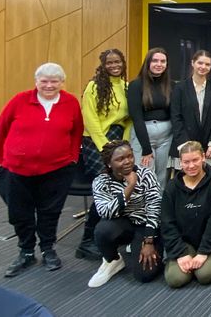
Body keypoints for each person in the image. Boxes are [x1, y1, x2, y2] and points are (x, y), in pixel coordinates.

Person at [0, 63, 83, 277]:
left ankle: (48, 249)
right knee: (19, 214)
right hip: (16, 171)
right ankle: (26, 252)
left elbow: (77, 131)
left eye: (54, 81)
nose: (49, 85)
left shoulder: (70, 103)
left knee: (49, 213)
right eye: (44, 81)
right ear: (36, 82)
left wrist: (72, 160)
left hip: (57, 170)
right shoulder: (20, 100)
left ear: (61, 83)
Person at [77, 48, 132, 261]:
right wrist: (107, 150)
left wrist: (123, 145)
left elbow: (129, 119)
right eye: (109, 63)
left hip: (118, 141)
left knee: (118, 189)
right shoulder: (94, 87)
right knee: (105, 191)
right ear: (103, 64)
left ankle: (108, 236)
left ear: (123, 63)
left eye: (117, 61)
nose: (114, 66)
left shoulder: (127, 87)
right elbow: (91, 121)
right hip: (96, 142)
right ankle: (86, 241)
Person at [88, 140, 163, 287]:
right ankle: (113, 260)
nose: (127, 161)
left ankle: (141, 244)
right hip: (122, 223)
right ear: (109, 164)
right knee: (102, 230)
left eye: (130, 156)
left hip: (145, 225)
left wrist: (149, 242)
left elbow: (155, 208)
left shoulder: (146, 174)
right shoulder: (101, 181)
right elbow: (106, 212)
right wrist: (130, 186)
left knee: (144, 275)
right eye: (120, 159)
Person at [161, 141, 211, 288]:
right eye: (186, 162)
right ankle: (186, 257)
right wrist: (180, 253)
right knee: (175, 279)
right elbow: (167, 223)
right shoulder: (172, 187)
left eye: (195, 160)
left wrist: (204, 252)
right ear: (180, 162)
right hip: (184, 239)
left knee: (204, 275)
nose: (191, 166)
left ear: (203, 157)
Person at [169, 50, 211, 170]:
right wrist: (185, 145)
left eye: (207, 64)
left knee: (206, 182)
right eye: (200, 63)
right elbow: (176, 117)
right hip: (184, 144)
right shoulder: (180, 88)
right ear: (193, 63)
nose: (203, 67)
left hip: (207, 146)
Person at [128, 47, 173, 189]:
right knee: (144, 175)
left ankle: (158, 209)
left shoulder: (171, 85)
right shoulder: (136, 85)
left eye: (163, 61)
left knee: (162, 176)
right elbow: (136, 117)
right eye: (155, 60)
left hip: (166, 138)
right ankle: (144, 210)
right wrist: (146, 149)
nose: (159, 64)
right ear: (148, 62)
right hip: (144, 138)